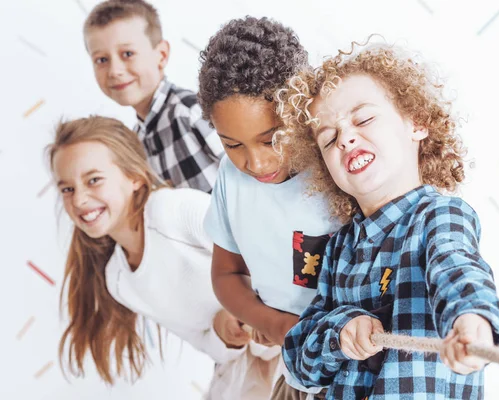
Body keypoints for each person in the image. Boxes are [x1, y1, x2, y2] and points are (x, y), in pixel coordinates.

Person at [276, 42, 499, 399]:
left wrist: (473, 320)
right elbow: (299, 360)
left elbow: (456, 268)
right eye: (329, 138)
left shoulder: (439, 216)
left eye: (364, 119)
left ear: (416, 123)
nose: (346, 138)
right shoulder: (339, 248)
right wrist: (339, 331)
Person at [51, 116, 273, 399]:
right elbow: (206, 343)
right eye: (67, 189)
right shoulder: (118, 281)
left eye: (93, 180)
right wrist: (224, 332)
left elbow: (271, 259)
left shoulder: (174, 211)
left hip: (289, 333)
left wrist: (248, 309)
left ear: (133, 177)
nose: (79, 200)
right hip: (250, 367)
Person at [198, 16, 341, 399]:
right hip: (296, 370)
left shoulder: (338, 165)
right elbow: (226, 275)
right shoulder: (231, 179)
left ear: (300, 109)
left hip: (356, 372)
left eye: (271, 139)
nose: (256, 164)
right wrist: (273, 323)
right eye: (233, 144)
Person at [84, 0, 223, 191]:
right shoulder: (136, 143)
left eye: (127, 53)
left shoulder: (190, 111)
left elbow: (254, 181)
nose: (114, 71)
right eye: (101, 60)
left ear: (162, 55)